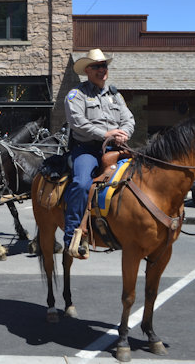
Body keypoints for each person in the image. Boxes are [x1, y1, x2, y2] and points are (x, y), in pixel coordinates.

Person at [63, 48, 135, 259]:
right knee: (82, 183)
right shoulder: (76, 95)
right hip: (88, 149)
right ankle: (72, 237)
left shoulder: (115, 95)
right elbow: (78, 123)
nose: (102, 70)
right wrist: (107, 133)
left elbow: (129, 119)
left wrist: (123, 134)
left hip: (117, 148)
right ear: (87, 70)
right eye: (96, 66)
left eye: (104, 65)